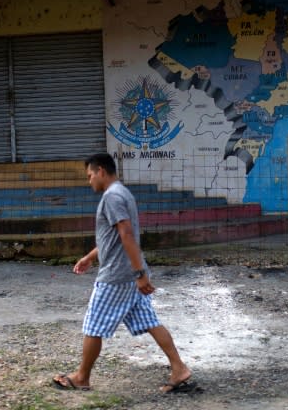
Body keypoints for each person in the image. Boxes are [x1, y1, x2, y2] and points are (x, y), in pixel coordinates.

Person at [52, 152, 195, 394]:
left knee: (93, 325)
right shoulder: (122, 193)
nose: (89, 182)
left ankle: (82, 377)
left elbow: (126, 234)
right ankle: (179, 367)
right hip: (129, 273)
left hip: (118, 276)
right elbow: (115, 237)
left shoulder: (112, 196)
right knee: (149, 321)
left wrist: (139, 273)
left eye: (90, 176)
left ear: (101, 171)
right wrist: (90, 257)